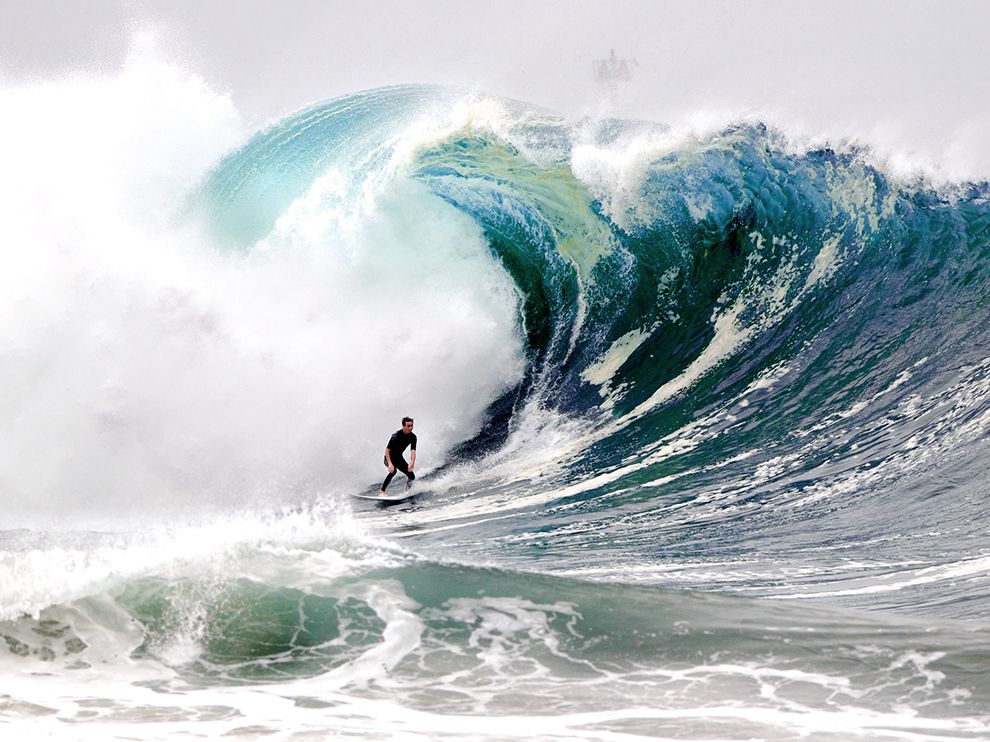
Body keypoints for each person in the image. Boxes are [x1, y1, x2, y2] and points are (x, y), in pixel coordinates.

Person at [380, 416, 417, 495]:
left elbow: (413, 451)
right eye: (408, 426)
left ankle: (406, 492)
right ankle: (382, 491)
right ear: (403, 426)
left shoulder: (413, 437)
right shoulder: (396, 436)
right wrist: (390, 464)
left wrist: (412, 462)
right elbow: (387, 451)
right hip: (388, 458)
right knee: (393, 471)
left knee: (412, 476)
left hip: (399, 458)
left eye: (412, 425)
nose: (411, 428)